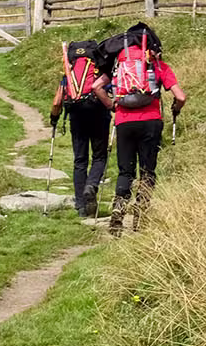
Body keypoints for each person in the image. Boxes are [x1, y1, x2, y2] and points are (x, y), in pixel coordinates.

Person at [107, 23, 186, 237]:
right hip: (151, 122)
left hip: (124, 122)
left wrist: (112, 105)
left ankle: (118, 210)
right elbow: (181, 97)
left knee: (125, 171)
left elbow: (97, 87)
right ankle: (141, 214)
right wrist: (175, 109)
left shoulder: (118, 64)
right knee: (147, 170)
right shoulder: (157, 65)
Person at [49, 41, 113, 219]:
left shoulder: (69, 75)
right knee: (99, 156)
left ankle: (81, 206)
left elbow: (56, 102)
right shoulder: (99, 72)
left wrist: (54, 118)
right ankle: (91, 185)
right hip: (98, 112)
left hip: (76, 113)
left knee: (80, 159)